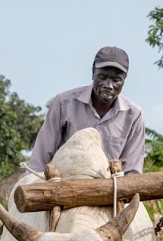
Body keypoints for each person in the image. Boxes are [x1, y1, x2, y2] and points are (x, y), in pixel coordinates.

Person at [26, 46, 147, 176]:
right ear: (93, 72)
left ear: (124, 80)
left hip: (111, 190)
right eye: (102, 77)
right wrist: (30, 188)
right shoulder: (64, 103)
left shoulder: (134, 115)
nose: (108, 85)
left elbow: (132, 171)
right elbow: (40, 157)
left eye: (116, 80)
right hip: (64, 185)